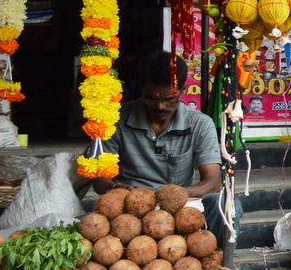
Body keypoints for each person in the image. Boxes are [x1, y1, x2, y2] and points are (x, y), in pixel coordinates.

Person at [92, 51, 235, 238]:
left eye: (169, 99)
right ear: (142, 88)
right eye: (152, 99)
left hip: (180, 207)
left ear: (183, 90)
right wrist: (115, 188)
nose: (160, 106)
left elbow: (213, 183)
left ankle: (223, 264)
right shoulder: (115, 119)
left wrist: (175, 194)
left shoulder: (200, 124)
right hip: (128, 209)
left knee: (225, 203)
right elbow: (99, 179)